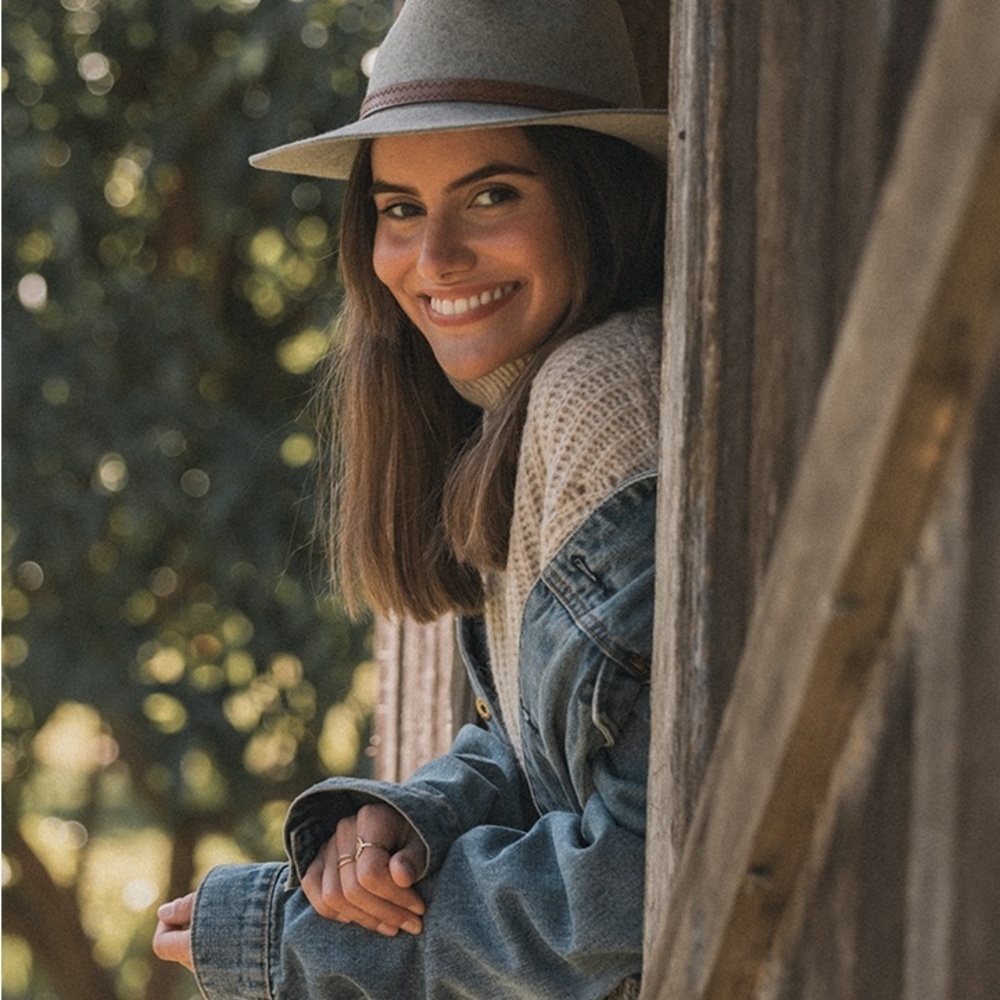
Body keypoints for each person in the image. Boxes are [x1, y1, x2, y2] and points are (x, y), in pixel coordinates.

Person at [153, 0, 667, 996]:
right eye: (398, 208)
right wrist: (414, 820)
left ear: (599, 198)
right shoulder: (512, 407)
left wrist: (289, 937)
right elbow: (554, 740)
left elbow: (636, 871)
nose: (433, 259)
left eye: (490, 196)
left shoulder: (598, 394)